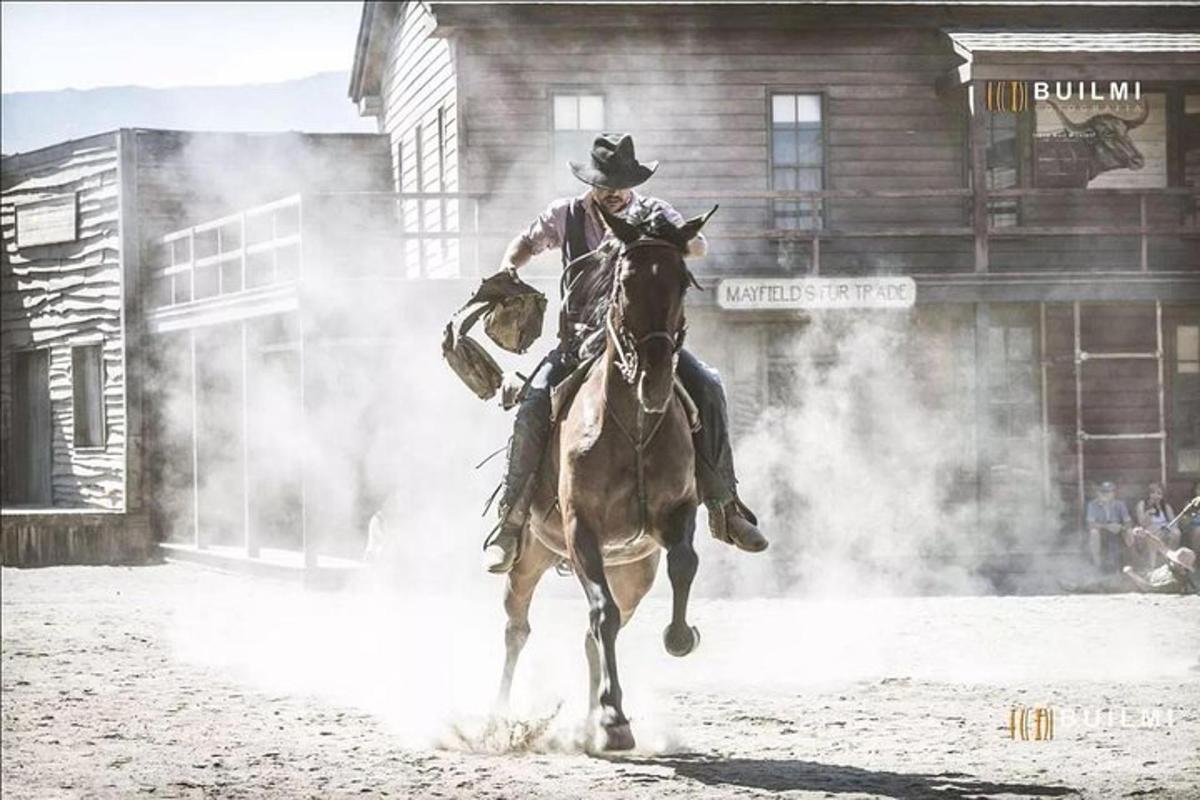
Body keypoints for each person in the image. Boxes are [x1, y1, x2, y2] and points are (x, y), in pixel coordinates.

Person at [482, 133, 768, 573]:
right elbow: (526, 242)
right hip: (578, 344)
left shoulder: (654, 212)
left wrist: (667, 240)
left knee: (709, 385)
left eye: (621, 184)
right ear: (592, 183)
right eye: (606, 184)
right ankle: (511, 518)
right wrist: (507, 270)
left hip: (645, 341)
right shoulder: (566, 214)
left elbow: (698, 247)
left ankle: (724, 505)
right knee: (534, 403)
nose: (615, 193)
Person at [1085, 480, 1132, 572]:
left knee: (1129, 532)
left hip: (1117, 530)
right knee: (1093, 532)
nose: (1106, 494)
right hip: (1101, 531)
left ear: (1114, 493)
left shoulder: (1120, 504)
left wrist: (1121, 527)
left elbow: (1128, 522)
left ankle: (1130, 563)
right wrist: (1107, 526)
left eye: (1109, 491)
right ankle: (1097, 564)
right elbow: (1090, 524)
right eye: (1104, 492)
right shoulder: (1093, 504)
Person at [1133, 482, 1181, 567]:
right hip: (1148, 529)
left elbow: (1174, 522)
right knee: (1153, 533)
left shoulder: (1165, 506)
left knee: (1176, 533)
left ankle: (1169, 559)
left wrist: (1168, 528)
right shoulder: (1142, 504)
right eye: (1153, 493)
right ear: (1148, 494)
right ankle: (1152, 565)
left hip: (1165, 528)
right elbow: (1141, 523)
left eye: (1159, 493)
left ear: (1162, 495)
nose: (1156, 496)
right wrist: (1148, 513)